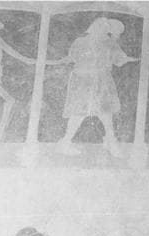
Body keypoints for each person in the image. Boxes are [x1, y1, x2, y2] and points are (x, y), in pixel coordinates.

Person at [54, 18, 137, 158]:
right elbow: (119, 60)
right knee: (89, 112)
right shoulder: (107, 42)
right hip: (92, 80)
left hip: (87, 80)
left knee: (102, 112)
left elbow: (73, 57)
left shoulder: (83, 41)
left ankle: (109, 141)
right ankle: (67, 143)